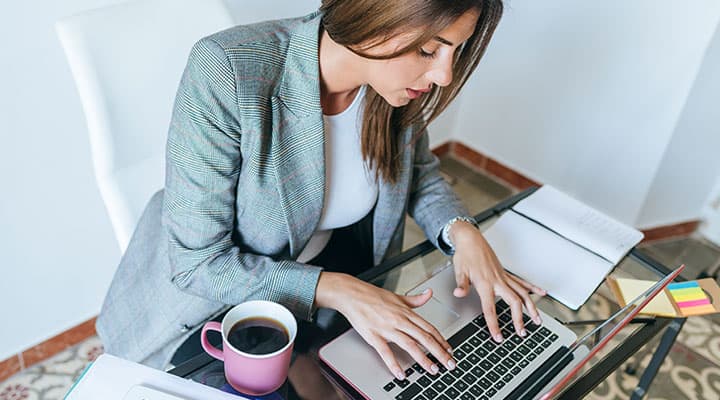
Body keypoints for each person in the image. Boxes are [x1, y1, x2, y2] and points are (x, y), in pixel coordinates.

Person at [96, 0, 546, 389]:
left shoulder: (390, 87)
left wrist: (463, 232)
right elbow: (198, 264)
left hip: (327, 293)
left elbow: (417, 175)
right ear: (377, 15)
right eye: (429, 49)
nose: (444, 75)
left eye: (456, 49)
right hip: (212, 308)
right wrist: (334, 290)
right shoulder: (229, 70)